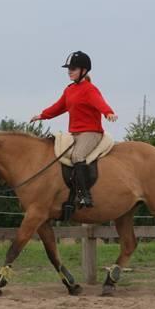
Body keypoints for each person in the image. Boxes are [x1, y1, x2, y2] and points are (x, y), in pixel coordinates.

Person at [30, 50, 117, 207]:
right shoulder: (69, 90)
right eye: (69, 69)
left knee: (77, 156)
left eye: (73, 69)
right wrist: (42, 115)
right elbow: (58, 107)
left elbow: (99, 102)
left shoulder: (89, 89)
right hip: (74, 133)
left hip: (91, 132)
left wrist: (108, 112)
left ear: (84, 70)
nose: (70, 72)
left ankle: (85, 196)